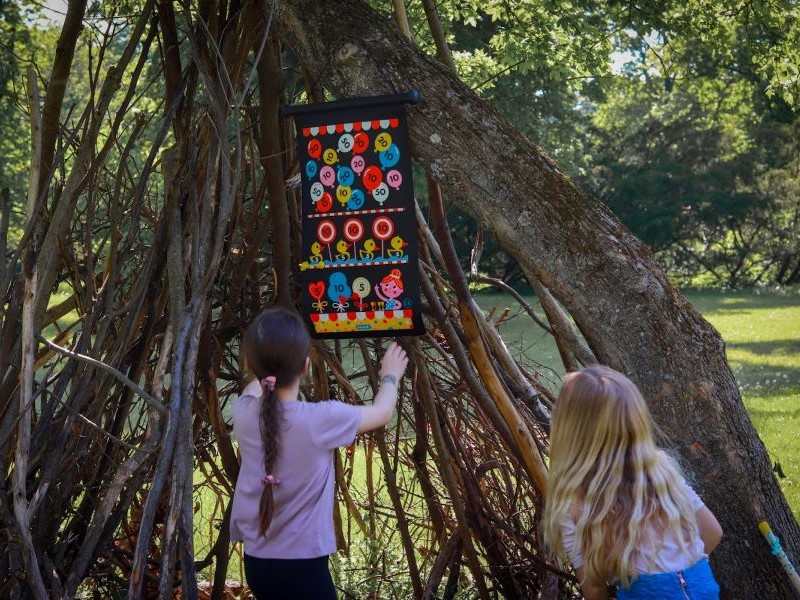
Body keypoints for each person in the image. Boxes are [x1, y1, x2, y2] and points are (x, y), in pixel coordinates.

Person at [229, 307, 408, 600]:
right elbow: (382, 412)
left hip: (258, 565)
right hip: (305, 569)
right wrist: (390, 376)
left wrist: (266, 361)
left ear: (249, 364)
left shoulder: (244, 411)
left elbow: (255, 388)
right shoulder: (320, 420)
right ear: (305, 367)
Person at [542, 366, 723, 600]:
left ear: (568, 429)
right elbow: (712, 531)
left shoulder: (573, 498)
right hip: (701, 586)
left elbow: (594, 589)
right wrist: (681, 575)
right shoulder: (660, 471)